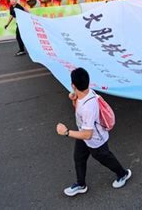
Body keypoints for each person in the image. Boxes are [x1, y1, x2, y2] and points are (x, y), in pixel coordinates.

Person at [56, 67, 132, 197]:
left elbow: (88, 134)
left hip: (95, 140)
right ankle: (81, 184)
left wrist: (66, 132)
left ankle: (123, 174)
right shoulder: (86, 93)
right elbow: (78, 107)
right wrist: (73, 97)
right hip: (84, 135)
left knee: (105, 158)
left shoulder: (88, 108)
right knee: (79, 158)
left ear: (73, 85)